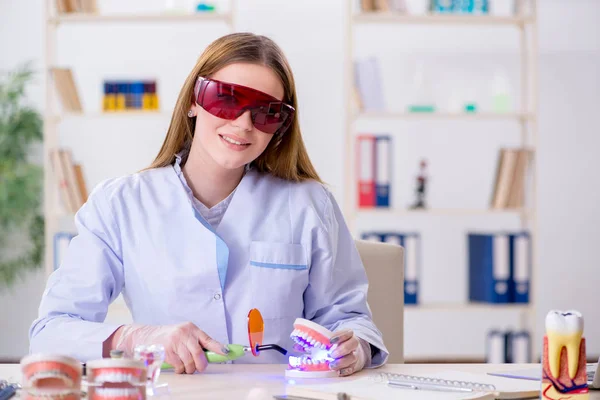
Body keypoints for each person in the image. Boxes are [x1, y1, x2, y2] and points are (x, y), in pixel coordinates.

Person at [29, 32, 388, 376]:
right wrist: (136, 337)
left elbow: (347, 318)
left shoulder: (309, 203)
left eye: (266, 113)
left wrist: (355, 348)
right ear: (192, 101)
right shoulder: (119, 204)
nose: (244, 124)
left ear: (280, 127)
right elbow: (51, 331)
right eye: (228, 98)